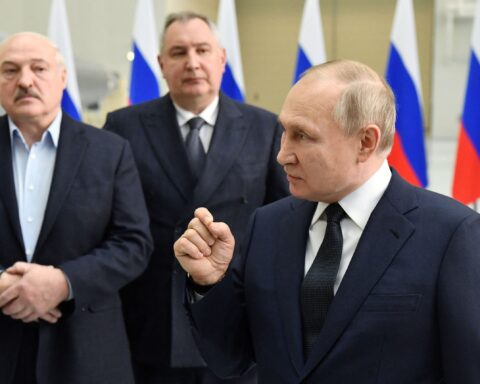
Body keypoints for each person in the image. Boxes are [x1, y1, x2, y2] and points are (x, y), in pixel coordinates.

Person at [174, 60, 480, 383]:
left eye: (302, 136)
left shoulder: (451, 236)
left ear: (366, 142)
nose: (282, 154)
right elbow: (230, 361)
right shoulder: (267, 225)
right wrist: (208, 284)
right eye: (284, 132)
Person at [103, 10, 288, 384]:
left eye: (203, 50)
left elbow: (282, 220)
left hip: (234, 312)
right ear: (160, 63)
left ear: (221, 58)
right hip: (149, 316)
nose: (192, 62)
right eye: (178, 52)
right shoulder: (123, 127)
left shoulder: (265, 127)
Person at [0, 32, 152, 384]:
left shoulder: (110, 151)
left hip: (86, 353)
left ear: (62, 78)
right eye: (10, 70)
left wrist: (63, 282)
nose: (25, 80)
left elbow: (134, 243)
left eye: (38, 68)